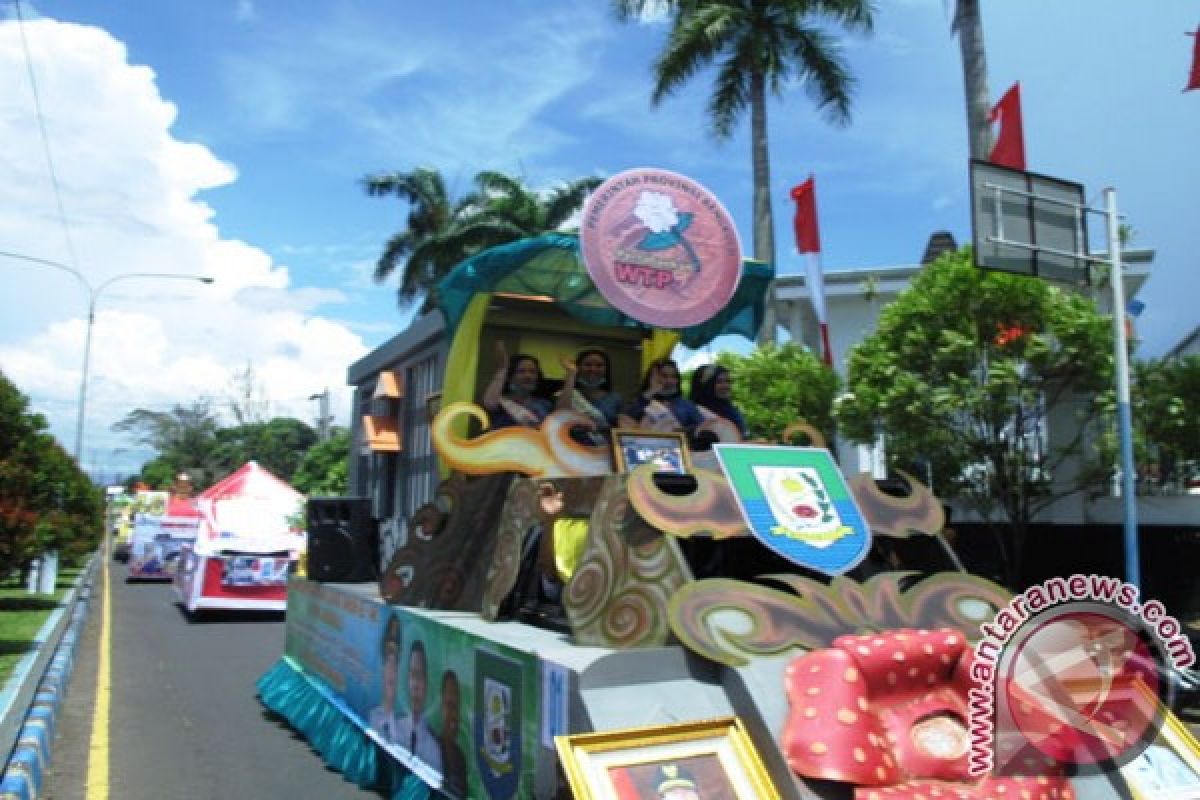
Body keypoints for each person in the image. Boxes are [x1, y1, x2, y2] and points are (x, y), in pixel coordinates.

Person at [618, 358, 705, 436]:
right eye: (664, 376)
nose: (670, 381)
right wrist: (650, 392)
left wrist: (679, 430)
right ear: (652, 378)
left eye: (674, 376)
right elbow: (625, 419)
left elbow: (703, 426)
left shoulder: (685, 404)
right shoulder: (642, 399)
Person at [394, 640, 444, 773]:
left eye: (420, 676)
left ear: (428, 682)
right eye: (412, 675)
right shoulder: (395, 728)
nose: (415, 685)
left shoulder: (434, 750)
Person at [481, 341, 553, 429]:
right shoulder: (500, 402)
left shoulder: (544, 404)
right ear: (510, 377)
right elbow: (489, 403)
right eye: (521, 371)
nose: (528, 376)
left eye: (533, 372)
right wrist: (503, 368)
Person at [556, 348, 623, 442]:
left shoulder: (615, 398)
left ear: (606, 369)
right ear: (578, 367)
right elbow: (560, 415)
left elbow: (619, 430)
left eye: (599, 365)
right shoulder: (567, 394)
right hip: (571, 449)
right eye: (587, 365)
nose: (593, 369)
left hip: (603, 451)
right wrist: (571, 374)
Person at [367, 614, 402, 743]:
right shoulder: (374, 716)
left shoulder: (405, 726)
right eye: (388, 654)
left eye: (396, 657)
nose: (391, 669)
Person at [688, 365, 748, 439]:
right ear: (706, 385)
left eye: (728, 381)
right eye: (719, 382)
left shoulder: (732, 411)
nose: (726, 386)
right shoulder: (692, 412)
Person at [437, 670, 467, 798]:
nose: (453, 715)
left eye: (456, 706)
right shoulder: (432, 748)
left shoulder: (460, 758)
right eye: (449, 705)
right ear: (441, 706)